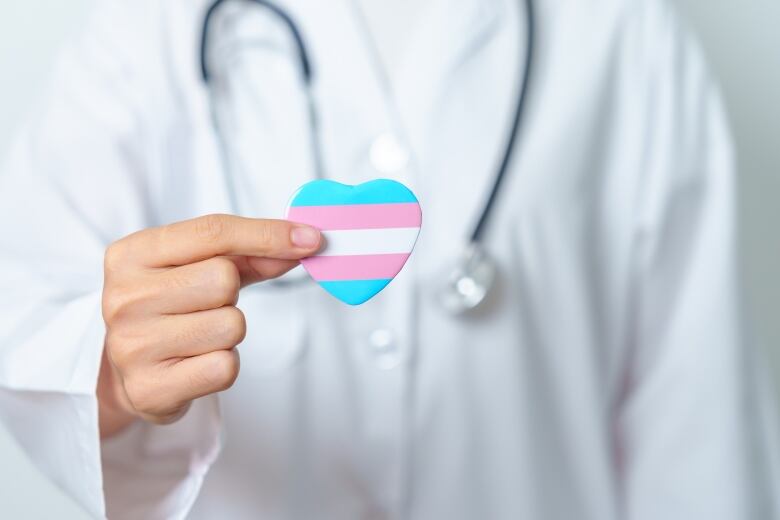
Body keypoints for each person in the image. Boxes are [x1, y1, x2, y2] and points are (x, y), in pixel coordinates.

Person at [0, 0, 778, 518]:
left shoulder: (623, 33)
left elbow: (698, 428)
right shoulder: (148, 29)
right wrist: (111, 367)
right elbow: (25, 312)